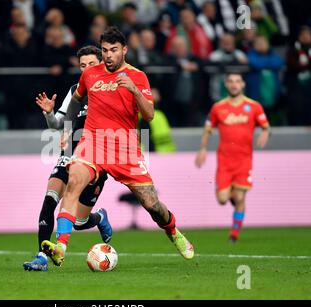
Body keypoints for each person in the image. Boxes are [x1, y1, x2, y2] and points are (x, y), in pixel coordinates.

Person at [41, 27, 194, 267]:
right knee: (73, 183)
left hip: (125, 150)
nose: (108, 55)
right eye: (104, 50)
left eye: (113, 50)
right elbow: (77, 100)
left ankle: (172, 230)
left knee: (151, 205)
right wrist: (69, 129)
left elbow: (150, 115)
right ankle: (61, 246)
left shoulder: (138, 76)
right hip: (92, 142)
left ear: (124, 50)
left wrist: (133, 90)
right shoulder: (90, 74)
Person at [23, 45, 112, 272]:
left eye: (91, 64)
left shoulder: (112, 87)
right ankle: (42, 257)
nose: (86, 69)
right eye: (82, 65)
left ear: (102, 62)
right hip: (70, 156)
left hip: (97, 160)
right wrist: (49, 113)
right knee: (50, 199)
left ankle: (99, 218)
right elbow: (57, 125)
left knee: (79, 222)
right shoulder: (76, 91)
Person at [195, 73, 270, 242]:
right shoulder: (218, 108)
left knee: (240, 197)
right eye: (230, 81)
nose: (234, 84)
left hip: (244, 160)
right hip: (225, 161)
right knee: (222, 199)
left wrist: (265, 132)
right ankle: (236, 203)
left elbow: (266, 126)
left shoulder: (254, 106)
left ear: (243, 84)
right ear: (226, 85)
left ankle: (234, 235)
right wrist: (203, 149)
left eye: (237, 81)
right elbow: (208, 129)